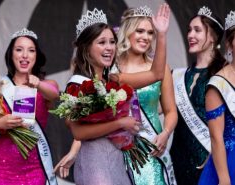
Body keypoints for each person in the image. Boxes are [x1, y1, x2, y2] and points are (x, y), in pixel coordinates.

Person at [54, 4, 170, 185]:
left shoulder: (114, 79)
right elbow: (78, 132)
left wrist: (161, 35)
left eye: (112, 42)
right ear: (86, 48)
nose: (109, 48)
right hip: (95, 162)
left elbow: (157, 74)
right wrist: (119, 123)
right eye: (101, 42)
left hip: (118, 162)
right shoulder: (77, 84)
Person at [0, 28, 59, 185]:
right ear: (11, 55)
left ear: (36, 56)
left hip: (35, 166)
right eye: (19, 50)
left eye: (31, 50)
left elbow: (54, 94)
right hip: (3, 167)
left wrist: (37, 84)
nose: (25, 55)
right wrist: (0, 123)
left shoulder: (46, 85)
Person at [113, 5, 177, 185]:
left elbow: (171, 110)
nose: (146, 37)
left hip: (151, 147)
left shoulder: (160, 67)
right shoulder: (112, 70)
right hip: (117, 149)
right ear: (128, 32)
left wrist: (165, 133)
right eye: (140, 31)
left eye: (150, 33)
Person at [170, 6, 227, 185]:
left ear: (212, 37)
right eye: (189, 30)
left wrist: (213, 155)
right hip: (178, 158)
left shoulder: (224, 74)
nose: (190, 35)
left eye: (197, 30)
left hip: (209, 159)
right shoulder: (178, 75)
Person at [198, 10, 235, 185]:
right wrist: (224, 179)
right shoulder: (218, 83)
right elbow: (216, 137)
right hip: (229, 162)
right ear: (229, 44)